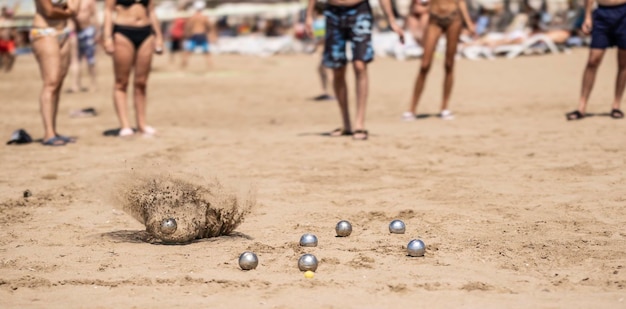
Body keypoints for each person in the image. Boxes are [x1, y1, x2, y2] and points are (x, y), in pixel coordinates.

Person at [305, 0, 404, 140]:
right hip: (333, 12)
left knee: (360, 65)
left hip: (359, 11)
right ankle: (346, 124)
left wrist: (391, 20)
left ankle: (359, 123)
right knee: (337, 68)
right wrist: (309, 16)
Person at [402, 0, 475, 121]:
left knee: (449, 64)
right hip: (434, 19)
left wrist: (468, 22)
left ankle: (444, 108)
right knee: (424, 65)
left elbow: (461, 1)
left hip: (453, 18)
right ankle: (412, 109)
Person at [103, 0, 164, 137]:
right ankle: (125, 125)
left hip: (146, 32)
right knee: (121, 82)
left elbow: (151, 11)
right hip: (123, 31)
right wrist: (107, 37)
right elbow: (108, 11)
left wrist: (159, 36)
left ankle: (142, 124)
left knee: (141, 82)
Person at [566, 0, 625, 120]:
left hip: (624, 12)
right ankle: (581, 107)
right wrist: (587, 16)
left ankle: (616, 105)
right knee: (593, 60)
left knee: (623, 62)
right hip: (602, 12)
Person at [31, 0, 79, 146]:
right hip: (44, 32)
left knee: (58, 83)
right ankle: (48, 133)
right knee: (50, 83)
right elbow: (49, 11)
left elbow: (75, 9)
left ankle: (54, 130)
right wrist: (67, 12)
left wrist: (66, 11)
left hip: (63, 32)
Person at [67, 0, 98, 93]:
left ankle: (93, 83)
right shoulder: (70, 1)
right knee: (75, 59)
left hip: (88, 31)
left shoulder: (89, 1)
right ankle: (75, 84)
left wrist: (97, 32)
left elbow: (94, 15)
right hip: (74, 32)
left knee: (90, 59)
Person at [310, 2, 333, 101]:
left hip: (325, 49)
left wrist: (317, 45)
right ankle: (325, 91)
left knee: (327, 70)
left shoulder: (319, 22)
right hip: (326, 48)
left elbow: (324, 37)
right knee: (321, 69)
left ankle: (332, 93)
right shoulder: (325, 20)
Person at [181, 1, 212, 70]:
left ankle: (183, 63)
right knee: (206, 51)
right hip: (202, 34)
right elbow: (209, 26)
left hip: (194, 34)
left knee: (188, 50)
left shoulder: (193, 17)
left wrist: (187, 33)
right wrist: (207, 31)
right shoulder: (204, 17)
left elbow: (188, 26)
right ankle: (210, 64)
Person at [0, 6, 17, 73]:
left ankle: (9, 67)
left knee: (12, 55)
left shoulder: (11, 21)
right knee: (2, 55)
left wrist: (15, 37)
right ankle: (3, 66)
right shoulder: (1, 20)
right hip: (1, 40)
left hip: (9, 41)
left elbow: (14, 31)